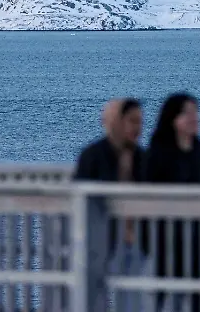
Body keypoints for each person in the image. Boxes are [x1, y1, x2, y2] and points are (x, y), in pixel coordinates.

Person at [73, 98, 147, 311]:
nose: (137, 128)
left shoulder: (142, 158)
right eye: (132, 121)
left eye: (139, 122)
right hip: (100, 242)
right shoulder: (93, 156)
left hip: (137, 243)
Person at [145, 92, 200, 312]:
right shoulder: (158, 151)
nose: (194, 118)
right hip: (163, 233)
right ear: (173, 119)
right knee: (161, 290)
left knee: (198, 291)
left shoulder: (198, 148)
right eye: (187, 113)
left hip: (193, 231)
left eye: (196, 113)